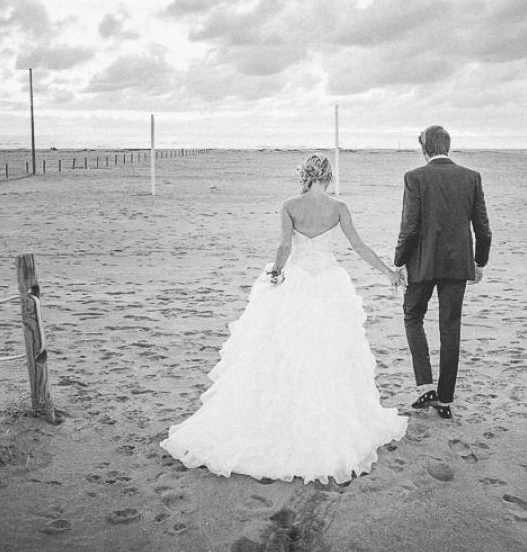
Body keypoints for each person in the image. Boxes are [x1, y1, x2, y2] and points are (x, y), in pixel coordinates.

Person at [161, 153, 407, 484]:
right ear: (328, 176)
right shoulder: (339, 208)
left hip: (298, 283)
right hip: (328, 284)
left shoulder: (290, 204)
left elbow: (284, 248)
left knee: (283, 351)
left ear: (306, 175)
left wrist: (275, 274)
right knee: (327, 353)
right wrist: (388, 272)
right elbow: (359, 247)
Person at [394, 126, 492, 420]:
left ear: (425, 148)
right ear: (447, 147)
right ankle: (446, 399)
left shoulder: (415, 178)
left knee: (412, 315)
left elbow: (409, 227)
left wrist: (399, 261)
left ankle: (425, 385)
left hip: (422, 262)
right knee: (450, 327)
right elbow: (483, 228)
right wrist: (479, 263)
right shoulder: (471, 178)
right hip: (457, 264)